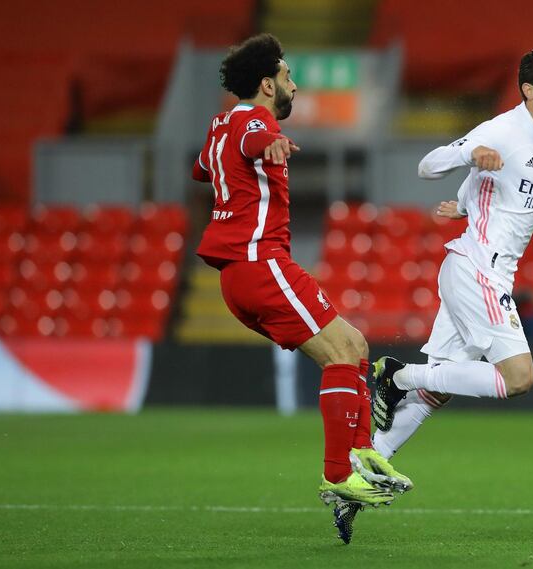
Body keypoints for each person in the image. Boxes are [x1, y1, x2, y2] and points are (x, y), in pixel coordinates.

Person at [190, 33, 411, 543]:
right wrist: (268, 142)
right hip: (260, 262)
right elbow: (252, 138)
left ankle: (360, 455)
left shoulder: (219, 125)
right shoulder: (253, 121)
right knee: (342, 354)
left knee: (354, 345)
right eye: (288, 75)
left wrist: (241, 160)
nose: (294, 83)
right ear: (267, 84)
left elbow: (201, 168)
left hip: (239, 276)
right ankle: (339, 475)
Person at [371, 47, 533, 458]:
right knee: (517, 378)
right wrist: (468, 152)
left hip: (479, 269)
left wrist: (464, 204)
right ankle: (398, 374)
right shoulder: (504, 130)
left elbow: (500, 184)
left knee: (436, 391)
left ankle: (366, 462)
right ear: (529, 91)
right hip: (479, 270)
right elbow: (428, 165)